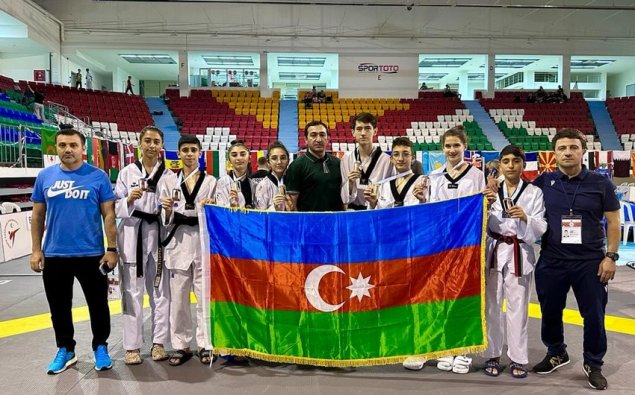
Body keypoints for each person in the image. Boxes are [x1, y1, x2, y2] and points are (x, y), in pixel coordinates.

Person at [531, 128, 619, 390]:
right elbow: (514, 196)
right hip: (552, 259)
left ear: (583, 151)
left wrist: (611, 256)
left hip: (590, 262)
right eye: (562, 148)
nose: (567, 152)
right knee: (549, 311)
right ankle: (556, 351)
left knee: (594, 315)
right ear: (554, 153)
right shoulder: (543, 183)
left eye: (573, 147)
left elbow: (614, 222)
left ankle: (593, 363)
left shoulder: (600, 183)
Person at [30, 128, 118, 374]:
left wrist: (112, 249)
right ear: (56, 148)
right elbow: (38, 215)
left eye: (73, 145)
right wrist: (36, 250)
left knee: (98, 305)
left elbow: (109, 215)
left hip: (91, 254)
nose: (67, 149)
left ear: (83, 148)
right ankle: (66, 349)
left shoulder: (98, 177)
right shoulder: (44, 177)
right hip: (55, 255)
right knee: (58, 307)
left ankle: (100, 346)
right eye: (62, 145)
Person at [427, 125, 495, 374]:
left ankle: (464, 349)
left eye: (456, 145)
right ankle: (446, 346)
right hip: (443, 246)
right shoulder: (434, 177)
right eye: (448, 145)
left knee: (467, 295)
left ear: (465, 147)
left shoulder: (477, 175)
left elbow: (482, 209)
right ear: (442, 148)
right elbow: (432, 212)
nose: (452, 150)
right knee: (444, 295)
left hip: (469, 246)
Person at [482, 145, 547, 379]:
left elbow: (541, 226)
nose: (511, 165)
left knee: (518, 308)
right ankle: (492, 353)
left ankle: (518, 358)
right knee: (492, 306)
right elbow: (480, 222)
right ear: (499, 164)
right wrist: (486, 206)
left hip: (519, 252)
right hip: (494, 251)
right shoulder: (490, 189)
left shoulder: (533, 192)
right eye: (506, 161)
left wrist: (526, 217)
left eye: (516, 161)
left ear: (523, 164)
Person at [114, 126, 172, 365]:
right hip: (132, 236)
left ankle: (159, 343)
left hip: (158, 235)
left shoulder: (168, 176)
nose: (151, 145)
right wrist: (129, 199)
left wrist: (167, 208)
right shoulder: (126, 173)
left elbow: (175, 209)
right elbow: (114, 207)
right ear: (139, 143)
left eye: (156, 141)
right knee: (131, 292)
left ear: (161, 146)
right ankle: (132, 347)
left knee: (160, 291)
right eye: (147, 140)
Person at [157, 135, 216, 366]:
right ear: (178, 154)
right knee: (179, 299)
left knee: (204, 298)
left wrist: (211, 208)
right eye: (185, 150)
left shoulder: (211, 181)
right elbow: (163, 218)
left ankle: (205, 344)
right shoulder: (168, 181)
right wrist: (168, 210)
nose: (189, 154)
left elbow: (217, 215)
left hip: (203, 243)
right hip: (178, 243)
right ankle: (181, 345)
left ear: (200, 153)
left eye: (193, 150)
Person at [286, 121, 343, 212]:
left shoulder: (338, 163)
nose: (318, 139)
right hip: (309, 223)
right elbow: (291, 204)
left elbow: (343, 195)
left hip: (334, 221)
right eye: (313, 135)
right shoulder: (296, 166)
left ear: (327, 138)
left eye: (322, 135)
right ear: (306, 139)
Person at [340, 113, 394, 210]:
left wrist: (376, 201)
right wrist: (351, 183)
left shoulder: (387, 160)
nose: (363, 133)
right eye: (359, 129)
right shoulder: (346, 159)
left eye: (368, 128)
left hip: (377, 211)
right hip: (353, 212)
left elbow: (390, 194)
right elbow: (344, 199)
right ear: (353, 132)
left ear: (375, 131)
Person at [365, 137, 427, 209]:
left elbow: (431, 214)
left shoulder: (422, 183)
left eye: (405, 154)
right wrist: (373, 203)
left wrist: (423, 201)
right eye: (396, 154)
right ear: (391, 159)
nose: (400, 159)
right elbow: (380, 214)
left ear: (412, 158)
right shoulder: (385, 185)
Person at [215, 140, 257, 208]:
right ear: (229, 160)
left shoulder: (254, 185)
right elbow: (220, 211)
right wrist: (231, 206)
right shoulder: (222, 183)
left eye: (243, 154)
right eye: (234, 155)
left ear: (249, 158)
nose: (239, 158)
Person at [255, 141, 292, 211]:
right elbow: (260, 214)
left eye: (283, 158)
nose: (279, 162)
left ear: (288, 160)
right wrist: (273, 208)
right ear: (268, 162)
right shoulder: (262, 185)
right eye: (274, 158)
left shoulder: (294, 182)